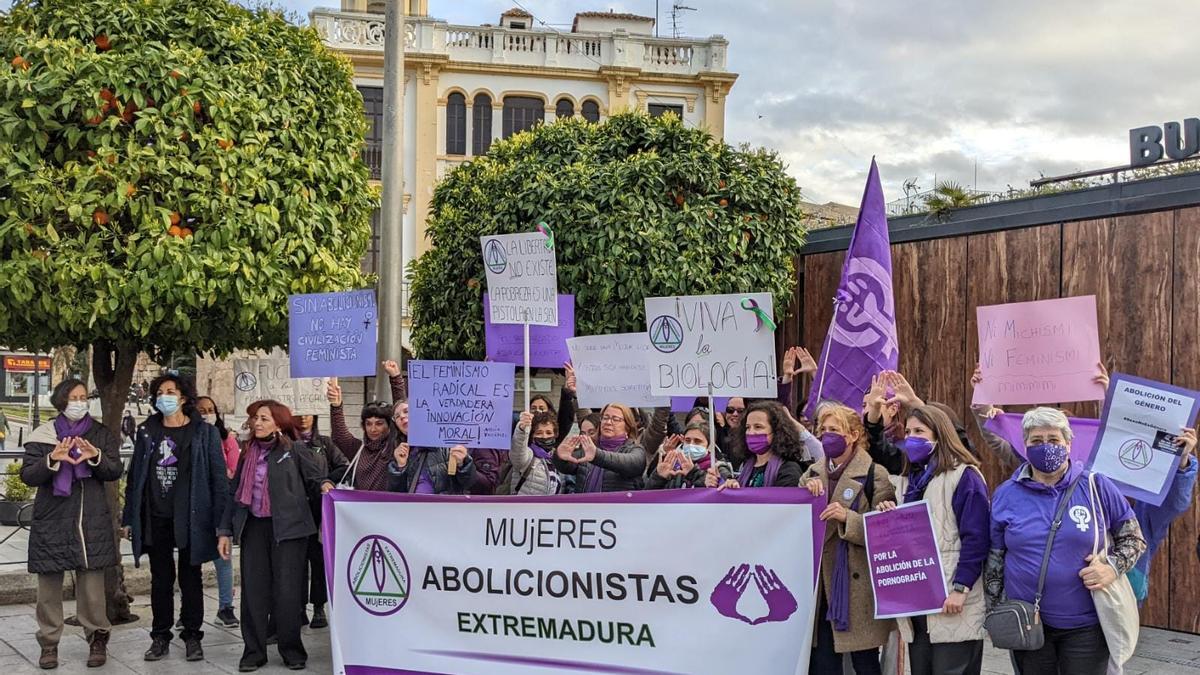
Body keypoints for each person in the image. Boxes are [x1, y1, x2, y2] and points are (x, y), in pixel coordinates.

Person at [985, 407, 1146, 675]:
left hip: (1087, 625)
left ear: (1069, 444)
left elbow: (1134, 538)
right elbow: (995, 558)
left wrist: (1112, 567)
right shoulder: (1005, 494)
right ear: (1025, 445)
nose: (1045, 446)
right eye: (1036, 440)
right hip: (1028, 623)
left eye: (1053, 439)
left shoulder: (1096, 486)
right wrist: (994, 613)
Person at [876, 405, 991, 675]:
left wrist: (961, 589)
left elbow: (976, 539)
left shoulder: (965, 476)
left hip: (952, 597)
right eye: (910, 431)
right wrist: (889, 514)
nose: (912, 437)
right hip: (919, 600)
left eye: (920, 431)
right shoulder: (909, 480)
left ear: (940, 435)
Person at [122, 373, 229, 663]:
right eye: (159, 392)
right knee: (160, 579)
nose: (164, 396)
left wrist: (223, 527)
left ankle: (193, 635)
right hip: (156, 515)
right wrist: (129, 517)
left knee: (191, 577)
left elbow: (218, 480)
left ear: (183, 397)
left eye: (170, 391)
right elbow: (135, 478)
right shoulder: (147, 430)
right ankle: (160, 636)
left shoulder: (203, 433)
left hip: (192, 517)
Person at [219, 400, 331, 672]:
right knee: (254, 593)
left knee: (288, 593)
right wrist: (224, 530)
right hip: (254, 527)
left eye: (264, 418)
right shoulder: (248, 453)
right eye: (256, 418)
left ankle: (291, 650)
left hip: (290, 530)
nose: (257, 423)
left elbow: (316, 479)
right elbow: (233, 494)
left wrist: (326, 485)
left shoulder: (295, 451)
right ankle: (254, 652)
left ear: (279, 424)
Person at [21, 379, 123, 669]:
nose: (80, 402)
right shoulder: (44, 435)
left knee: (92, 586)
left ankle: (97, 638)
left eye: (83, 397)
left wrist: (96, 457)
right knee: (49, 587)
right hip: (52, 519)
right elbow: (28, 475)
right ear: (61, 402)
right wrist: (52, 459)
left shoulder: (99, 434)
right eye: (73, 397)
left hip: (89, 519)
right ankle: (49, 643)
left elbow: (114, 469)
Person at [802, 403, 897, 674]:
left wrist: (848, 519)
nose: (827, 434)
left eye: (835, 429)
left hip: (857, 588)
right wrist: (805, 493)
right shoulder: (811, 473)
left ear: (853, 434)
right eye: (824, 429)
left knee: (865, 663)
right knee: (824, 662)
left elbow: (886, 530)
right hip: (822, 585)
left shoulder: (873, 473)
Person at [294, 414, 346, 629]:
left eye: (308, 413)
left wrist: (326, 480)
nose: (304, 418)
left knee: (318, 560)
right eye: (299, 413)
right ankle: (296, 608)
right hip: (294, 510)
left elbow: (344, 466)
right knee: (294, 562)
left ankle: (318, 606)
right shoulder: (284, 443)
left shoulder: (325, 444)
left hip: (318, 509)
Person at [326, 360, 406, 491]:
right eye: (368, 424)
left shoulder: (394, 445)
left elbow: (401, 409)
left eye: (379, 424)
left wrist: (396, 378)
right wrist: (336, 406)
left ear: (390, 424)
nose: (373, 429)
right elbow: (339, 436)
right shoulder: (358, 449)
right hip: (362, 510)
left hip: (389, 508)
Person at [196, 396, 241, 628]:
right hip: (196, 508)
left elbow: (232, 473)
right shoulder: (191, 438)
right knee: (190, 563)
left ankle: (225, 607)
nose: (206, 414)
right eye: (201, 410)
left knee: (222, 559)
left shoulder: (227, 440)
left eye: (210, 409)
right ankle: (188, 611)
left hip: (220, 507)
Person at [708, 401, 812, 489]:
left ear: (776, 431)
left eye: (758, 427)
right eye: (748, 427)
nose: (750, 432)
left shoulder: (788, 470)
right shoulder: (746, 466)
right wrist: (725, 485)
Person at [554, 403, 647, 493]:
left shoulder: (635, 449)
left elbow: (632, 464)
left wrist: (596, 455)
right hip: (584, 508)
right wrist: (560, 457)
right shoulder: (590, 448)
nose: (608, 422)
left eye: (615, 419)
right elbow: (566, 467)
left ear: (627, 426)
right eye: (605, 418)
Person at [647, 423, 728, 489]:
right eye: (687, 440)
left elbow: (723, 491)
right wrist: (658, 478)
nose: (691, 445)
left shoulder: (717, 467)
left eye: (697, 441)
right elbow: (648, 497)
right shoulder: (674, 466)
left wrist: (693, 473)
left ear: (709, 446)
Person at [505, 411, 562, 495]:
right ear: (532, 435)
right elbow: (518, 451)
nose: (544, 436)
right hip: (525, 507)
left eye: (549, 432)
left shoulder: (556, 458)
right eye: (539, 433)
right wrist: (521, 429)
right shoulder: (528, 455)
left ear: (555, 434)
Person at [387, 441, 477, 494]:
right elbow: (396, 494)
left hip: (443, 514)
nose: (402, 417)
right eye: (397, 416)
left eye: (406, 412)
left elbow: (468, 483)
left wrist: (462, 463)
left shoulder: (450, 447)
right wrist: (400, 467)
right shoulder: (401, 450)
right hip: (413, 514)